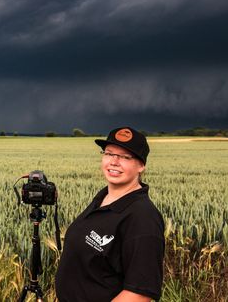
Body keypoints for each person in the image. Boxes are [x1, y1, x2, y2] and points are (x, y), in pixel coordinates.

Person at [55, 126, 164, 301]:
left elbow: (139, 293)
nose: (114, 162)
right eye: (109, 153)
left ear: (141, 165)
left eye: (125, 157)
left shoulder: (143, 218)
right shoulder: (102, 199)